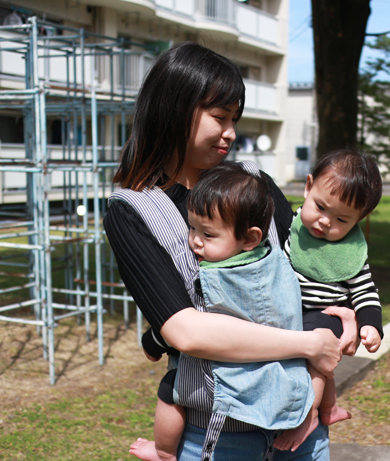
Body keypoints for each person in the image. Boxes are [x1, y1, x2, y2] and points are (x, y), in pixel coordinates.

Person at [104, 42, 358, 461]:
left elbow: (302, 268)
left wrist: (342, 309)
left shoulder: (252, 182)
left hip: (300, 426)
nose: (231, 133)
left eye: (234, 119)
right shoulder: (134, 210)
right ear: (173, 109)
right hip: (220, 437)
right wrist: (307, 343)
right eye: (220, 117)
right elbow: (188, 332)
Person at [129, 163, 314, 461]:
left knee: (171, 386)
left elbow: (196, 325)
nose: (195, 241)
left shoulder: (223, 278)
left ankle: (163, 451)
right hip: (285, 395)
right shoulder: (274, 260)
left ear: (250, 238)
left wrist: (153, 341)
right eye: (192, 228)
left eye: (208, 235)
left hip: (230, 400)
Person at [274, 150, 384, 452]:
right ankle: (328, 409)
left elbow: (365, 291)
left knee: (314, 362)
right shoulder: (292, 226)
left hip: (327, 314)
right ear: (308, 187)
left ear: (358, 220)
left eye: (341, 219)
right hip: (292, 310)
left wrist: (371, 325)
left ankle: (307, 417)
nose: (324, 222)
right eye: (320, 207)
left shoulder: (350, 252)